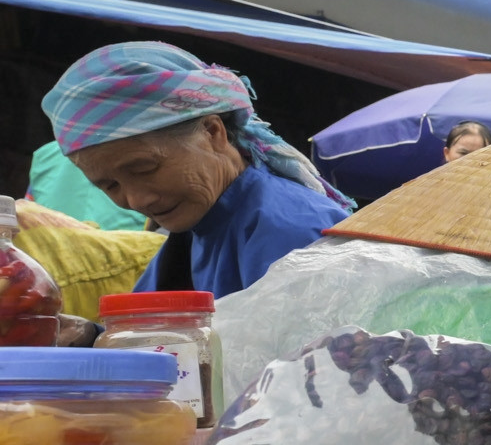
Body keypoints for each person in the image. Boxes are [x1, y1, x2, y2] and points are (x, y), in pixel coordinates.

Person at [41, 42, 352, 299]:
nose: (136, 201)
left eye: (145, 168)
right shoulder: (197, 230)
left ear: (212, 132)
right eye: (109, 186)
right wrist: (88, 336)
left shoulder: (291, 228)